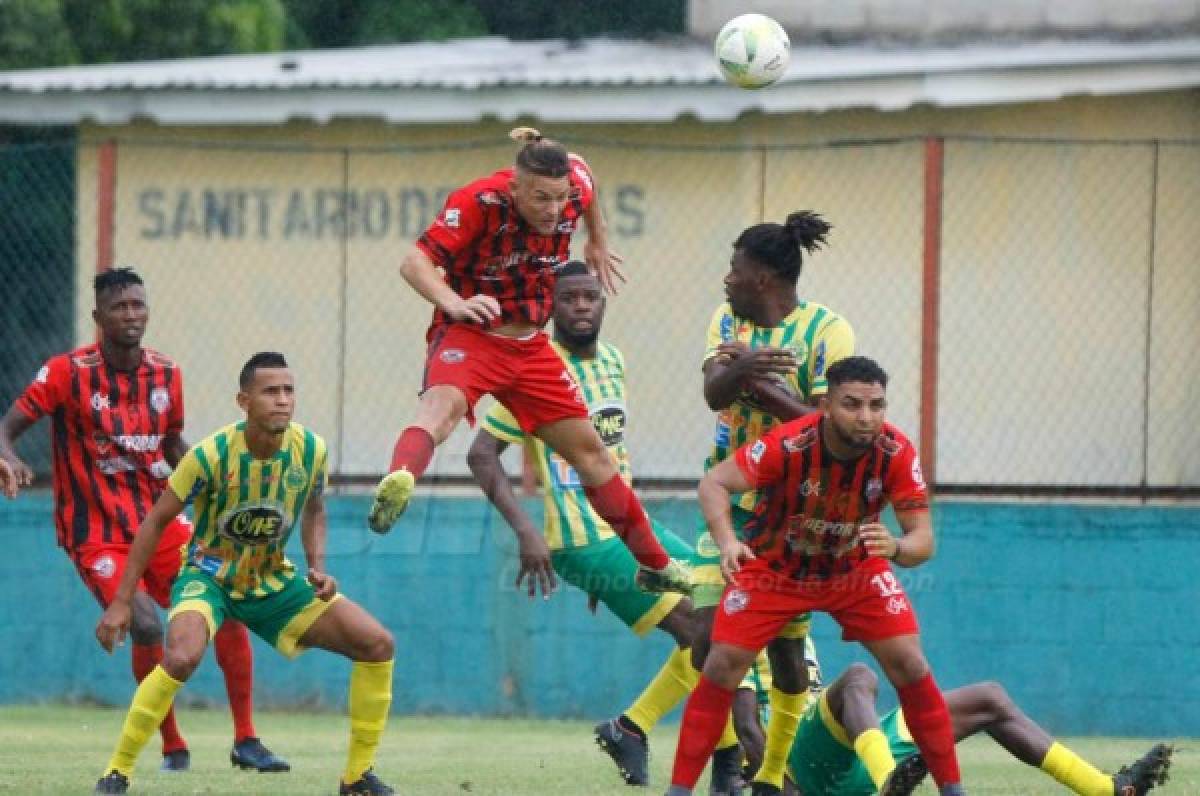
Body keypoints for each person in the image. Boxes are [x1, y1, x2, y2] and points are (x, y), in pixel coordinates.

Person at [368, 127, 689, 594]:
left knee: (593, 455)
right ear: (514, 187)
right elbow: (412, 264)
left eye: (560, 199)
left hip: (531, 347)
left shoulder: (572, 189)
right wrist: (454, 304)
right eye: (540, 198)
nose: (554, 210)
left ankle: (655, 565)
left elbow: (586, 173)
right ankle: (399, 480)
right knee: (441, 410)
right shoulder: (478, 202)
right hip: (472, 333)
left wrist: (597, 239)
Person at [0, 267, 285, 773]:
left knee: (229, 604)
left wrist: (220, 479)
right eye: (119, 307)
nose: (131, 314)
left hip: (160, 522)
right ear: (98, 317)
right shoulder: (68, 372)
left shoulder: (167, 374)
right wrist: (8, 456)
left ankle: (246, 739)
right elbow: (9, 426)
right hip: (96, 533)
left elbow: (171, 445)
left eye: (137, 305)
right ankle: (172, 744)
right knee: (147, 622)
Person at [466, 261, 725, 788]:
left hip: (626, 533)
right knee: (703, 635)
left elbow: (610, 456)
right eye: (569, 299)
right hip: (580, 537)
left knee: (718, 616)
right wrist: (527, 531)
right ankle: (726, 766)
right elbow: (481, 454)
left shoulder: (612, 361)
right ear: (551, 305)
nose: (581, 307)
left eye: (590, 297)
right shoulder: (532, 366)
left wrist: (616, 565)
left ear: (602, 302)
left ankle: (633, 727)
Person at [93, 352, 396, 795]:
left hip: (273, 582)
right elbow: (155, 523)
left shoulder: (311, 450)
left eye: (289, 390)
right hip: (208, 577)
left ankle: (356, 779)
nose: (282, 400)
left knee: (378, 644)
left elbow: (314, 508)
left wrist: (318, 568)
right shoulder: (210, 456)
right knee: (180, 658)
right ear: (244, 400)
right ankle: (117, 772)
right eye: (270, 391)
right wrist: (121, 600)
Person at [667, 356, 966, 796]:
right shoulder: (788, 444)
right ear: (826, 405)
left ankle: (953, 791)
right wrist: (729, 542)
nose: (866, 418)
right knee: (721, 664)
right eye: (852, 405)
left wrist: (898, 548)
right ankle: (679, 790)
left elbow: (923, 539)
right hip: (775, 570)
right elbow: (714, 483)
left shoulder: (896, 452)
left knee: (912, 664)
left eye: (876, 405)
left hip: (854, 571)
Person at [692, 211, 855, 794]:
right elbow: (715, 395)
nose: (726, 279)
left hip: (794, 513)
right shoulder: (724, 319)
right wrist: (739, 368)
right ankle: (738, 763)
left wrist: (757, 382)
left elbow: (827, 427)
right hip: (728, 501)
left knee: (787, 658)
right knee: (706, 641)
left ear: (761, 276)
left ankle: (773, 776)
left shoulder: (827, 333)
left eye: (735, 269)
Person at [788, 663, 1173, 796]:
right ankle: (890, 779)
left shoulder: (802, 588)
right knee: (859, 676)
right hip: (800, 763)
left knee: (989, 697)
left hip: (860, 745)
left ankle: (1107, 789)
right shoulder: (745, 622)